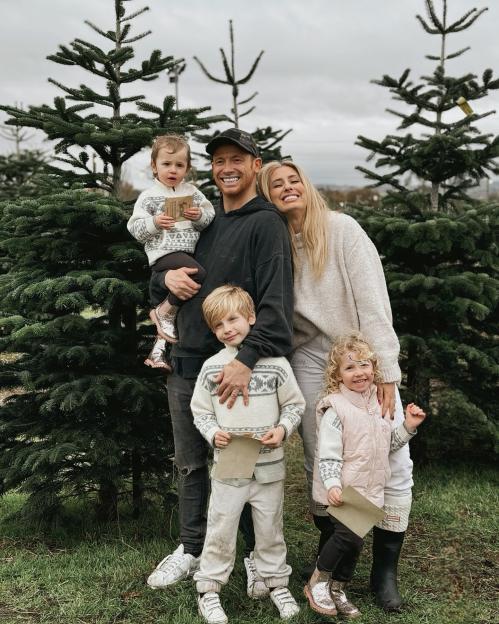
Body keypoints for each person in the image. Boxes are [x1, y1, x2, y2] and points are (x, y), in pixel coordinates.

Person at [258, 160, 415, 611]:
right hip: (308, 358)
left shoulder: (342, 229)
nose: (287, 188)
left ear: (306, 186)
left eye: (293, 180)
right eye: (276, 185)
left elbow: (373, 297)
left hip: (360, 354)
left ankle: (384, 575)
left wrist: (386, 368)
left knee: (393, 453)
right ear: (268, 196)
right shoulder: (276, 242)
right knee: (321, 459)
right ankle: (337, 560)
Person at [146, 129, 294, 594]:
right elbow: (163, 281)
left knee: (242, 465)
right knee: (191, 464)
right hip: (186, 361)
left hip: (235, 371)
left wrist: (246, 359)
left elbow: (276, 304)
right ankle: (191, 548)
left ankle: (253, 556)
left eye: (236, 159)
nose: (226, 167)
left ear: (255, 165)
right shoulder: (204, 221)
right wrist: (166, 280)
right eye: (217, 161)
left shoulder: (265, 223)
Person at [191, 285, 303, 623]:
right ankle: (209, 589)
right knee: (221, 527)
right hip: (229, 468)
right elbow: (200, 411)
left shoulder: (276, 364)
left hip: (270, 468)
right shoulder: (212, 368)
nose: (227, 328)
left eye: (233, 319)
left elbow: (295, 405)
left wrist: (283, 429)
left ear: (251, 319)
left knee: (270, 528)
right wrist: (213, 433)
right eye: (218, 325)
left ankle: (274, 582)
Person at [304, 333, 426, 618]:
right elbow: (328, 454)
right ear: (337, 374)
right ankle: (318, 582)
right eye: (349, 367)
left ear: (374, 368)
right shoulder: (336, 408)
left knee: (356, 542)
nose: (358, 373)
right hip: (344, 488)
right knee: (345, 536)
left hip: (370, 489)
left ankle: (338, 588)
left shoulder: (378, 402)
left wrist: (407, 426)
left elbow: (387, 445)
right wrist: (333, 484)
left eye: (363, 365)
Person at [127, 134, 214, 367]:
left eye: (179, 165)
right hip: (163, 253)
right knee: (200, 275)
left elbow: (209, 218)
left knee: (181, 307)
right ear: (154, 166)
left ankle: (157, 354)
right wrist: (155, 223)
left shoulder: (193, 193)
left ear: (187, 168)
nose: (172, 170)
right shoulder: (148, 197)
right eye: (166, 164)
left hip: (186, 253)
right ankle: (163, 312)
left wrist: (198, 216)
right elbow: (135, 228)